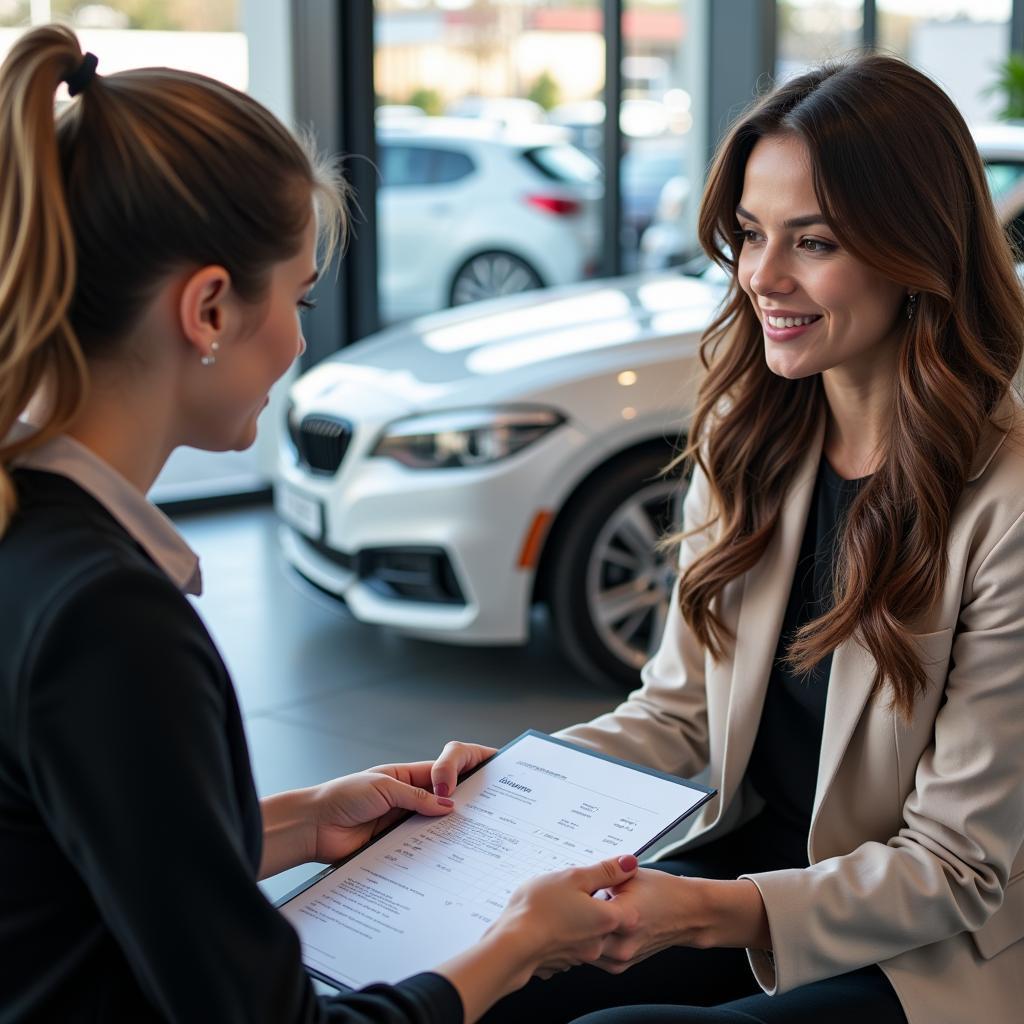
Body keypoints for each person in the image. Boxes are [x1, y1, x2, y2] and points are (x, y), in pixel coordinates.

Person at [0, 25, 643, 1024]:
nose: (300, 339)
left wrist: (301, 822)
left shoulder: (30, 535)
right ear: (208, 309)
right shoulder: (108, 618)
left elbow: (78, 845)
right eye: (298, 298)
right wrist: (519, 944)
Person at [430, 53, 1024, 1024]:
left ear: (916, 252)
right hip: (756, 865)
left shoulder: (1006, 502)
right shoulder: (753, 438)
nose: (760, 275)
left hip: (932, 945)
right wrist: (510, 786)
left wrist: (702, 911)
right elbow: (675, 716)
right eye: (749, 234)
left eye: (813, 241)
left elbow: (954, 867)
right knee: (483, 989)